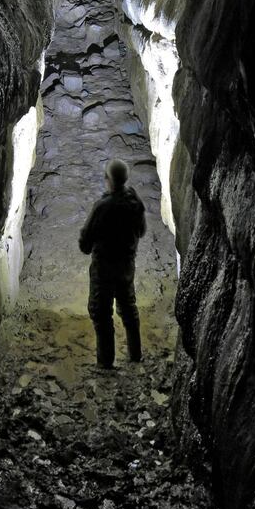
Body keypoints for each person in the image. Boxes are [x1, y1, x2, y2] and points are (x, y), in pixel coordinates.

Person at [78, 158, 146, 369]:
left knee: (101, 312)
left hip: (104, 269)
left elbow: (85, 243)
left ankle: (106, 362)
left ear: (108, 179)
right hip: (126, 266)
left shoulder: (102, 206)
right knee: (128, 308)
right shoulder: (135, 203)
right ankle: (135, 355)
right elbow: (142, 232)